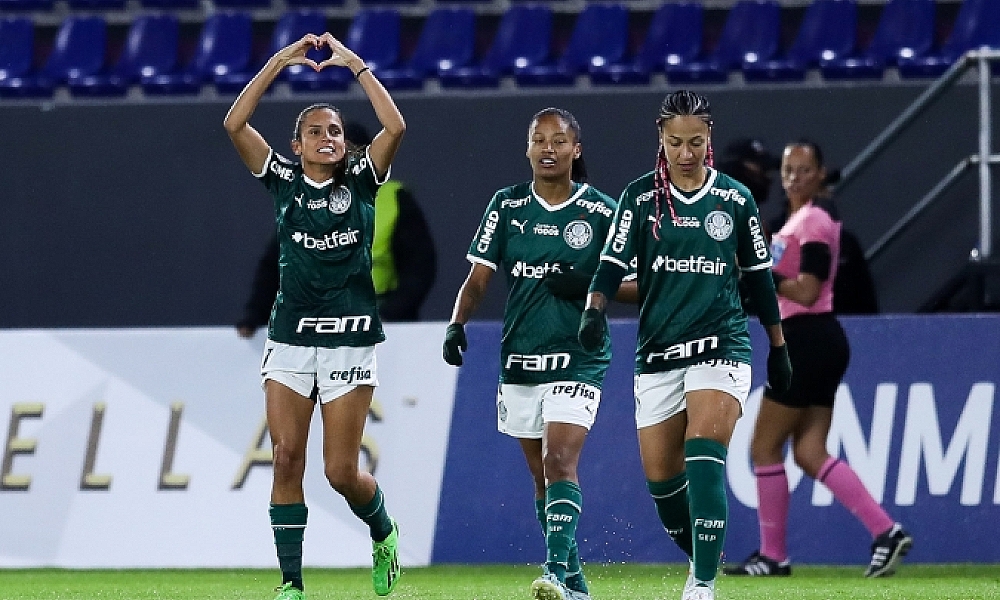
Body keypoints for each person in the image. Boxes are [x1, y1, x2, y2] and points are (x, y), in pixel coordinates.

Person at [576, 90, 792, 600]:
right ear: (661, 139)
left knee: (704, 448)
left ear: (709, 137)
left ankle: (701, 584)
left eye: (696, 141)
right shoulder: (639, 198)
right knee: (662, 482)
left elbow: (759, 280)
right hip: (657, 354)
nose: (687, 153)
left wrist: (778, 346)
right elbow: (611, 264)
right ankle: (704, 558)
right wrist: (594, 309)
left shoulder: (735, 200)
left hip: (722, 345)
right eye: (676, 142)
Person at [223, 32, 405, 600]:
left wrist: (355, 64)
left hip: (350, 338)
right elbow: (234, 124)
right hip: (291, 337)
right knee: (284, 459)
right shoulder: (281, 181)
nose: (328, 139)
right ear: (295, 144)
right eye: (315, 132)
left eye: (334, 132)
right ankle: (291, 585)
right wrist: (280, 60)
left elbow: (394, 127)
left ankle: (383, 531)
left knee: (340, 473)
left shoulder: (363, 179)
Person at [442, 108, 636, 600]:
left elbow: (640, 283)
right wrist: (457, 323)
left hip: (579, 354)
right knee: (541, 476)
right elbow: (479, 277)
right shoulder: (506, 207)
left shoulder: (602, 212)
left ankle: (552, 572)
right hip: (522, 358)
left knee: (559, 459)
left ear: (577, 149)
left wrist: (591, 286)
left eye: (559, 140)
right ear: (527, 148)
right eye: (539, 139)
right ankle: (575, 583)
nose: (548, 148)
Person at [723, 140, 912, 579]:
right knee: (809, 450)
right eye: (788, 169)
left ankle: (773, 556)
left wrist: (758, 273)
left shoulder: (813, 220)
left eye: (805, 170)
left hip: (806, 339)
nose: (794, 177)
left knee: (764, 446)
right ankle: (885, 531)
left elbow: (807, 290)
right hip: (820, 340)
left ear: (822, 174)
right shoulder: (796, 220)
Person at [236, 124, 436, 337]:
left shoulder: (393, 200)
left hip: (380, 319)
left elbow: (419, 267)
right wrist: (255, 315)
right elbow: (276, 266)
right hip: (314, 320)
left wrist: (392, 314)